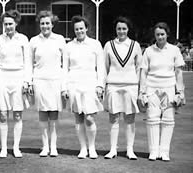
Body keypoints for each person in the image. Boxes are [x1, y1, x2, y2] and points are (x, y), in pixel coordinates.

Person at [139, 22, 185, 161]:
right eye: (158, 34)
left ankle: (164, 152)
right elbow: (143, 72)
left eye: (162, 34)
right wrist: (142, 92)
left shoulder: (174, 50)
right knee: (152, 120)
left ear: (167, 35)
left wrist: (180, 92)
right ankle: (153, 151)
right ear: (155, 35)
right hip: (152, 88)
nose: (160, 37)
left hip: (169, 88)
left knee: (168, 120)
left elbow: (178, 72)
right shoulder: (149, 51)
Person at [63, 15, 105, 159]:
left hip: (90, 84)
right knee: (79, 118)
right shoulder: (68, 46)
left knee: (90, 118)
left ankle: (92, 148)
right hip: (74, 84)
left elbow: (101, 67)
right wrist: (65, 88)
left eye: (81, 28)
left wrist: (100, 85)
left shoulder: (95, 44)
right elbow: (65, 69)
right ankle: (83, 148)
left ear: (86, 28)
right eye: (76, 29)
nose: (79, 31)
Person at [0, 10, 32, 158]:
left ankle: (16, 147)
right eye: (5, 24)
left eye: (10, 23)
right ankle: (3, 148)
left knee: (17, 114)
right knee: (3, 114)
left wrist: (27, 81)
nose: (8, 26)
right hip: (3, 77)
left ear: (16, 23)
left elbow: (28, 62)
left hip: (18, 77)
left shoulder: (23, 39)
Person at [103, 17, 142, 160]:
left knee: (129, 118)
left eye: (124, 28)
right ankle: (113, 149)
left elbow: (139, 67)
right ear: (115, 29)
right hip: (113, 85)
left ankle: (130, 150)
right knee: (113, 118)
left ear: (128, 29)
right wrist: (104, 84)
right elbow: (105, 67)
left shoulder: (135, 45)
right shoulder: (108, 45)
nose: (121, 31)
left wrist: (138, 86)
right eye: (119, 28)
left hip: (130, 85)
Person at [29, 10, 66, 157]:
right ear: (39, 24)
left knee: (54, 114)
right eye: (42, 23)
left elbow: (65, 63)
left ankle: (54, 146)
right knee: (43, 113)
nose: (45, 26)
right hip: (40, 80)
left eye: (47, 23)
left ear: (52, 24)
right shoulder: (33, 41)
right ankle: (45, 147)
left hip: (56, 80)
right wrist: (30, 81)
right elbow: (29, 63)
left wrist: (64, 85)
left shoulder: (60, 39)